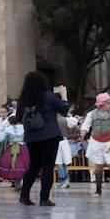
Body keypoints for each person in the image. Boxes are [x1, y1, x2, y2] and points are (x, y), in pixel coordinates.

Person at [14, 73, 71, 207]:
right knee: (47, 167)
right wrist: (64, 96)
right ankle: (44, 198)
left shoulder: (23, 99)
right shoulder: (49, 96)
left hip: (31, 136)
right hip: (49, 136)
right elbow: (64, 110)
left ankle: (24, 196)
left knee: (33, 166)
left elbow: (18, 117)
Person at [80, 93, 110, 198]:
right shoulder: (91, 114)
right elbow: (85, 126)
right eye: (108, 103)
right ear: (101, 104)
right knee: (98, 165)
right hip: (96, 142)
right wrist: (82, 135)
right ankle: (98, 190)